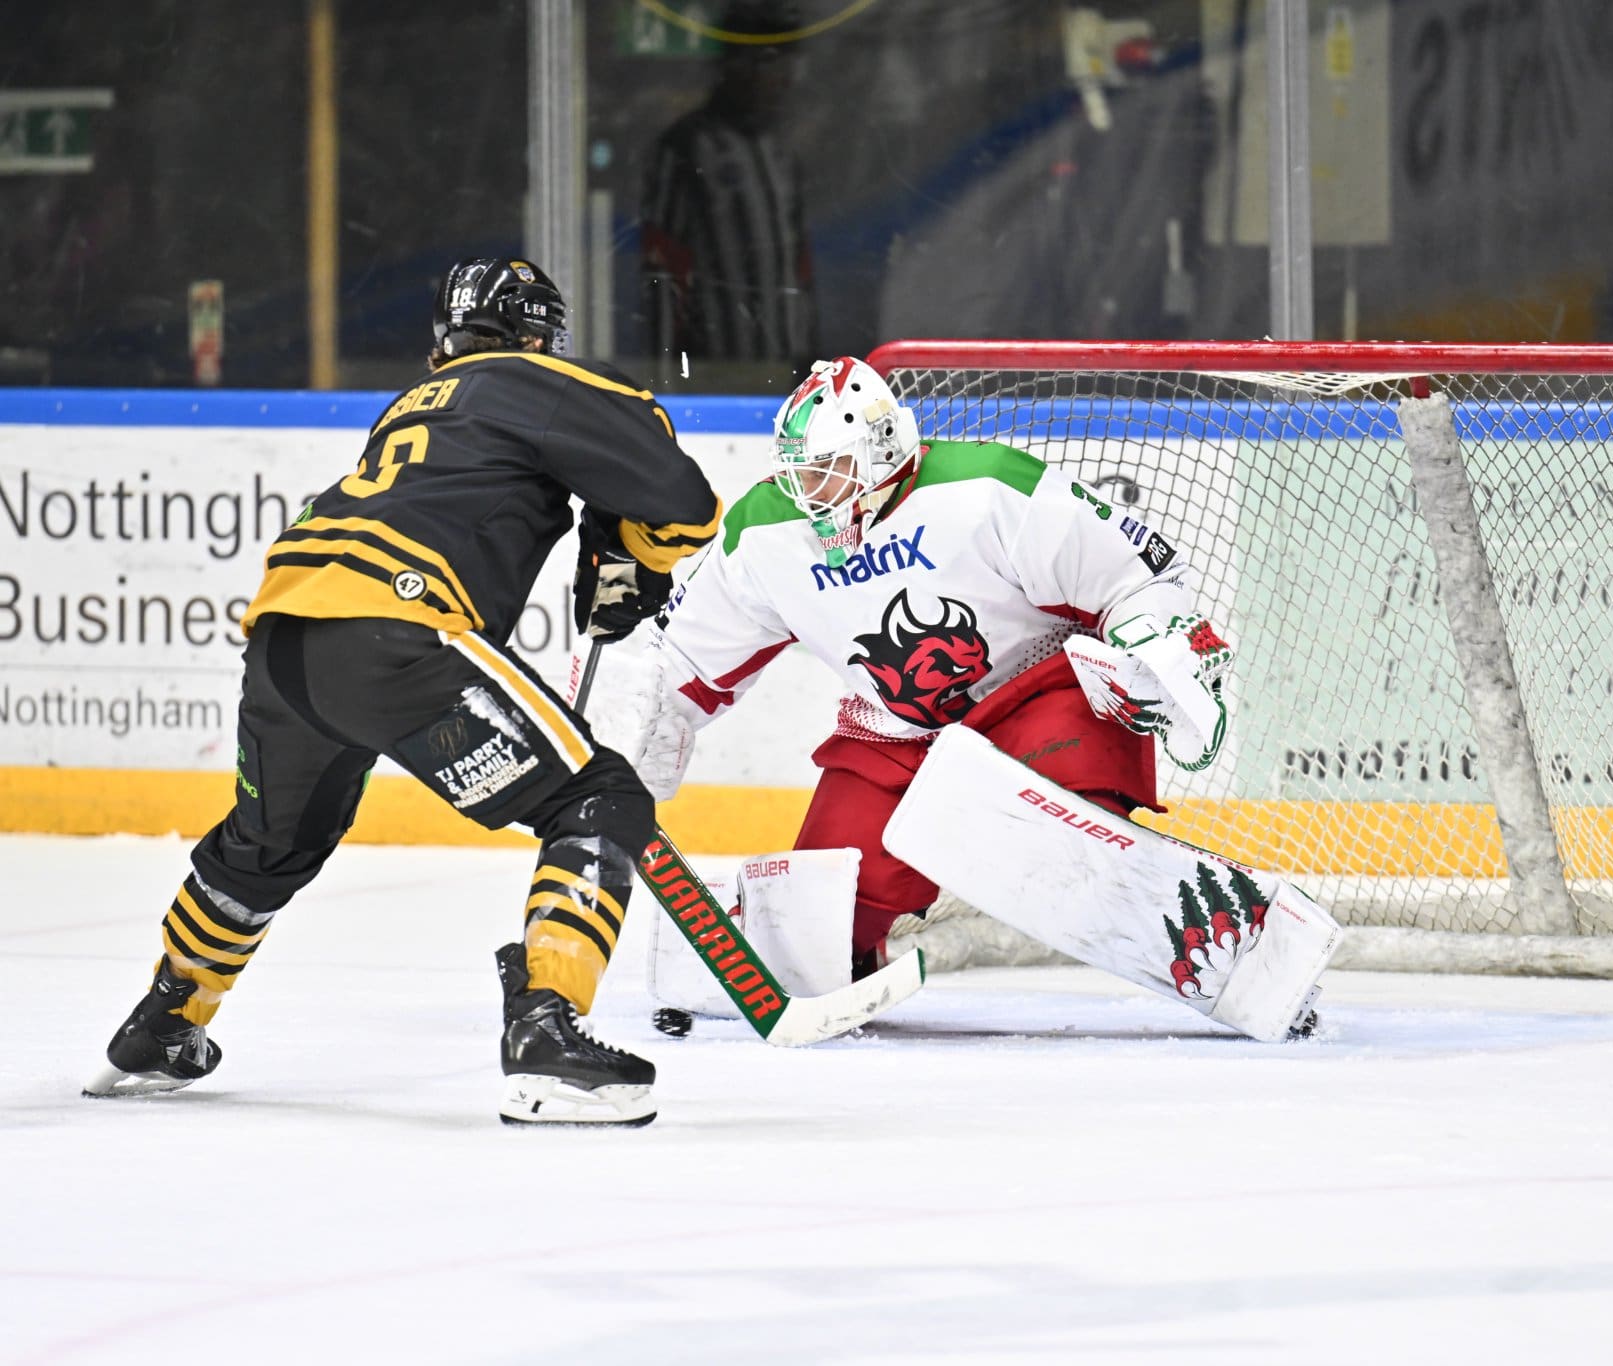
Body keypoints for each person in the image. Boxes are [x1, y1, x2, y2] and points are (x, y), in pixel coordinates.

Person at [83, 258, 722, 1126]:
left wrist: (607, 533)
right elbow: (683, 498)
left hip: (283, 636)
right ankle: (545, 1030)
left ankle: (165, 1021)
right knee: (599, 798)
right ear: (538, 336)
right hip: (396, 631)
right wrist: (634, 554)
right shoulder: (538, 378)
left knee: (267, 846)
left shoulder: (415, 404)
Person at [583, 357, 1335, 1042]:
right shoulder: (766, 532)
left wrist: (1158, 646)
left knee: (1053, 833)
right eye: (800, 477)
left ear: (881, 450)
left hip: (1034, 697)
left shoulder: (987, 487)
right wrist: (637, 728)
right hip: (895, 734)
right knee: (821, 916)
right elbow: (686, 661)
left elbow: (1134, 576)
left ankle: (1248, 956)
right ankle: (791, 960)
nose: (812, 496)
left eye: (830, 473)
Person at [639, 23, 818, 371]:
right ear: (736, 66)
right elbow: (662, 267)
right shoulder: (688, 146)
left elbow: (799, 267)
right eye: (768, 62)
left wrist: (811, 358)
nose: (782, 78)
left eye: (786, 63)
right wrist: (664, 373)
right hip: (715, 369)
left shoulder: (779, 148)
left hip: (786, 365)